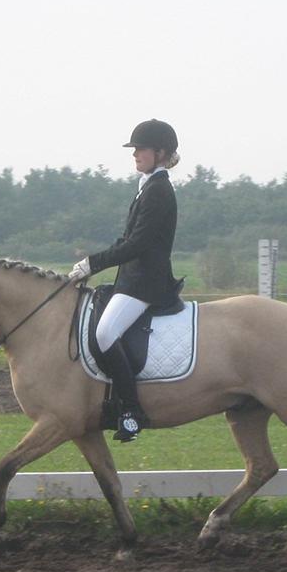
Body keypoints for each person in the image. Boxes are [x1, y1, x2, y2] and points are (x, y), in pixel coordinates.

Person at [69, 119, 180, 441]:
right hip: (131, 279)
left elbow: (138, 245)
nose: (135, 155)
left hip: (147, 283)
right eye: (134, 150)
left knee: (104, 333)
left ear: (160, 152)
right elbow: (125, 240)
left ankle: (131, 410)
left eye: (141, 149)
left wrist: (93, 264)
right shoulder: (148, 186)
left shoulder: (159, 190)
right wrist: (92, 263)